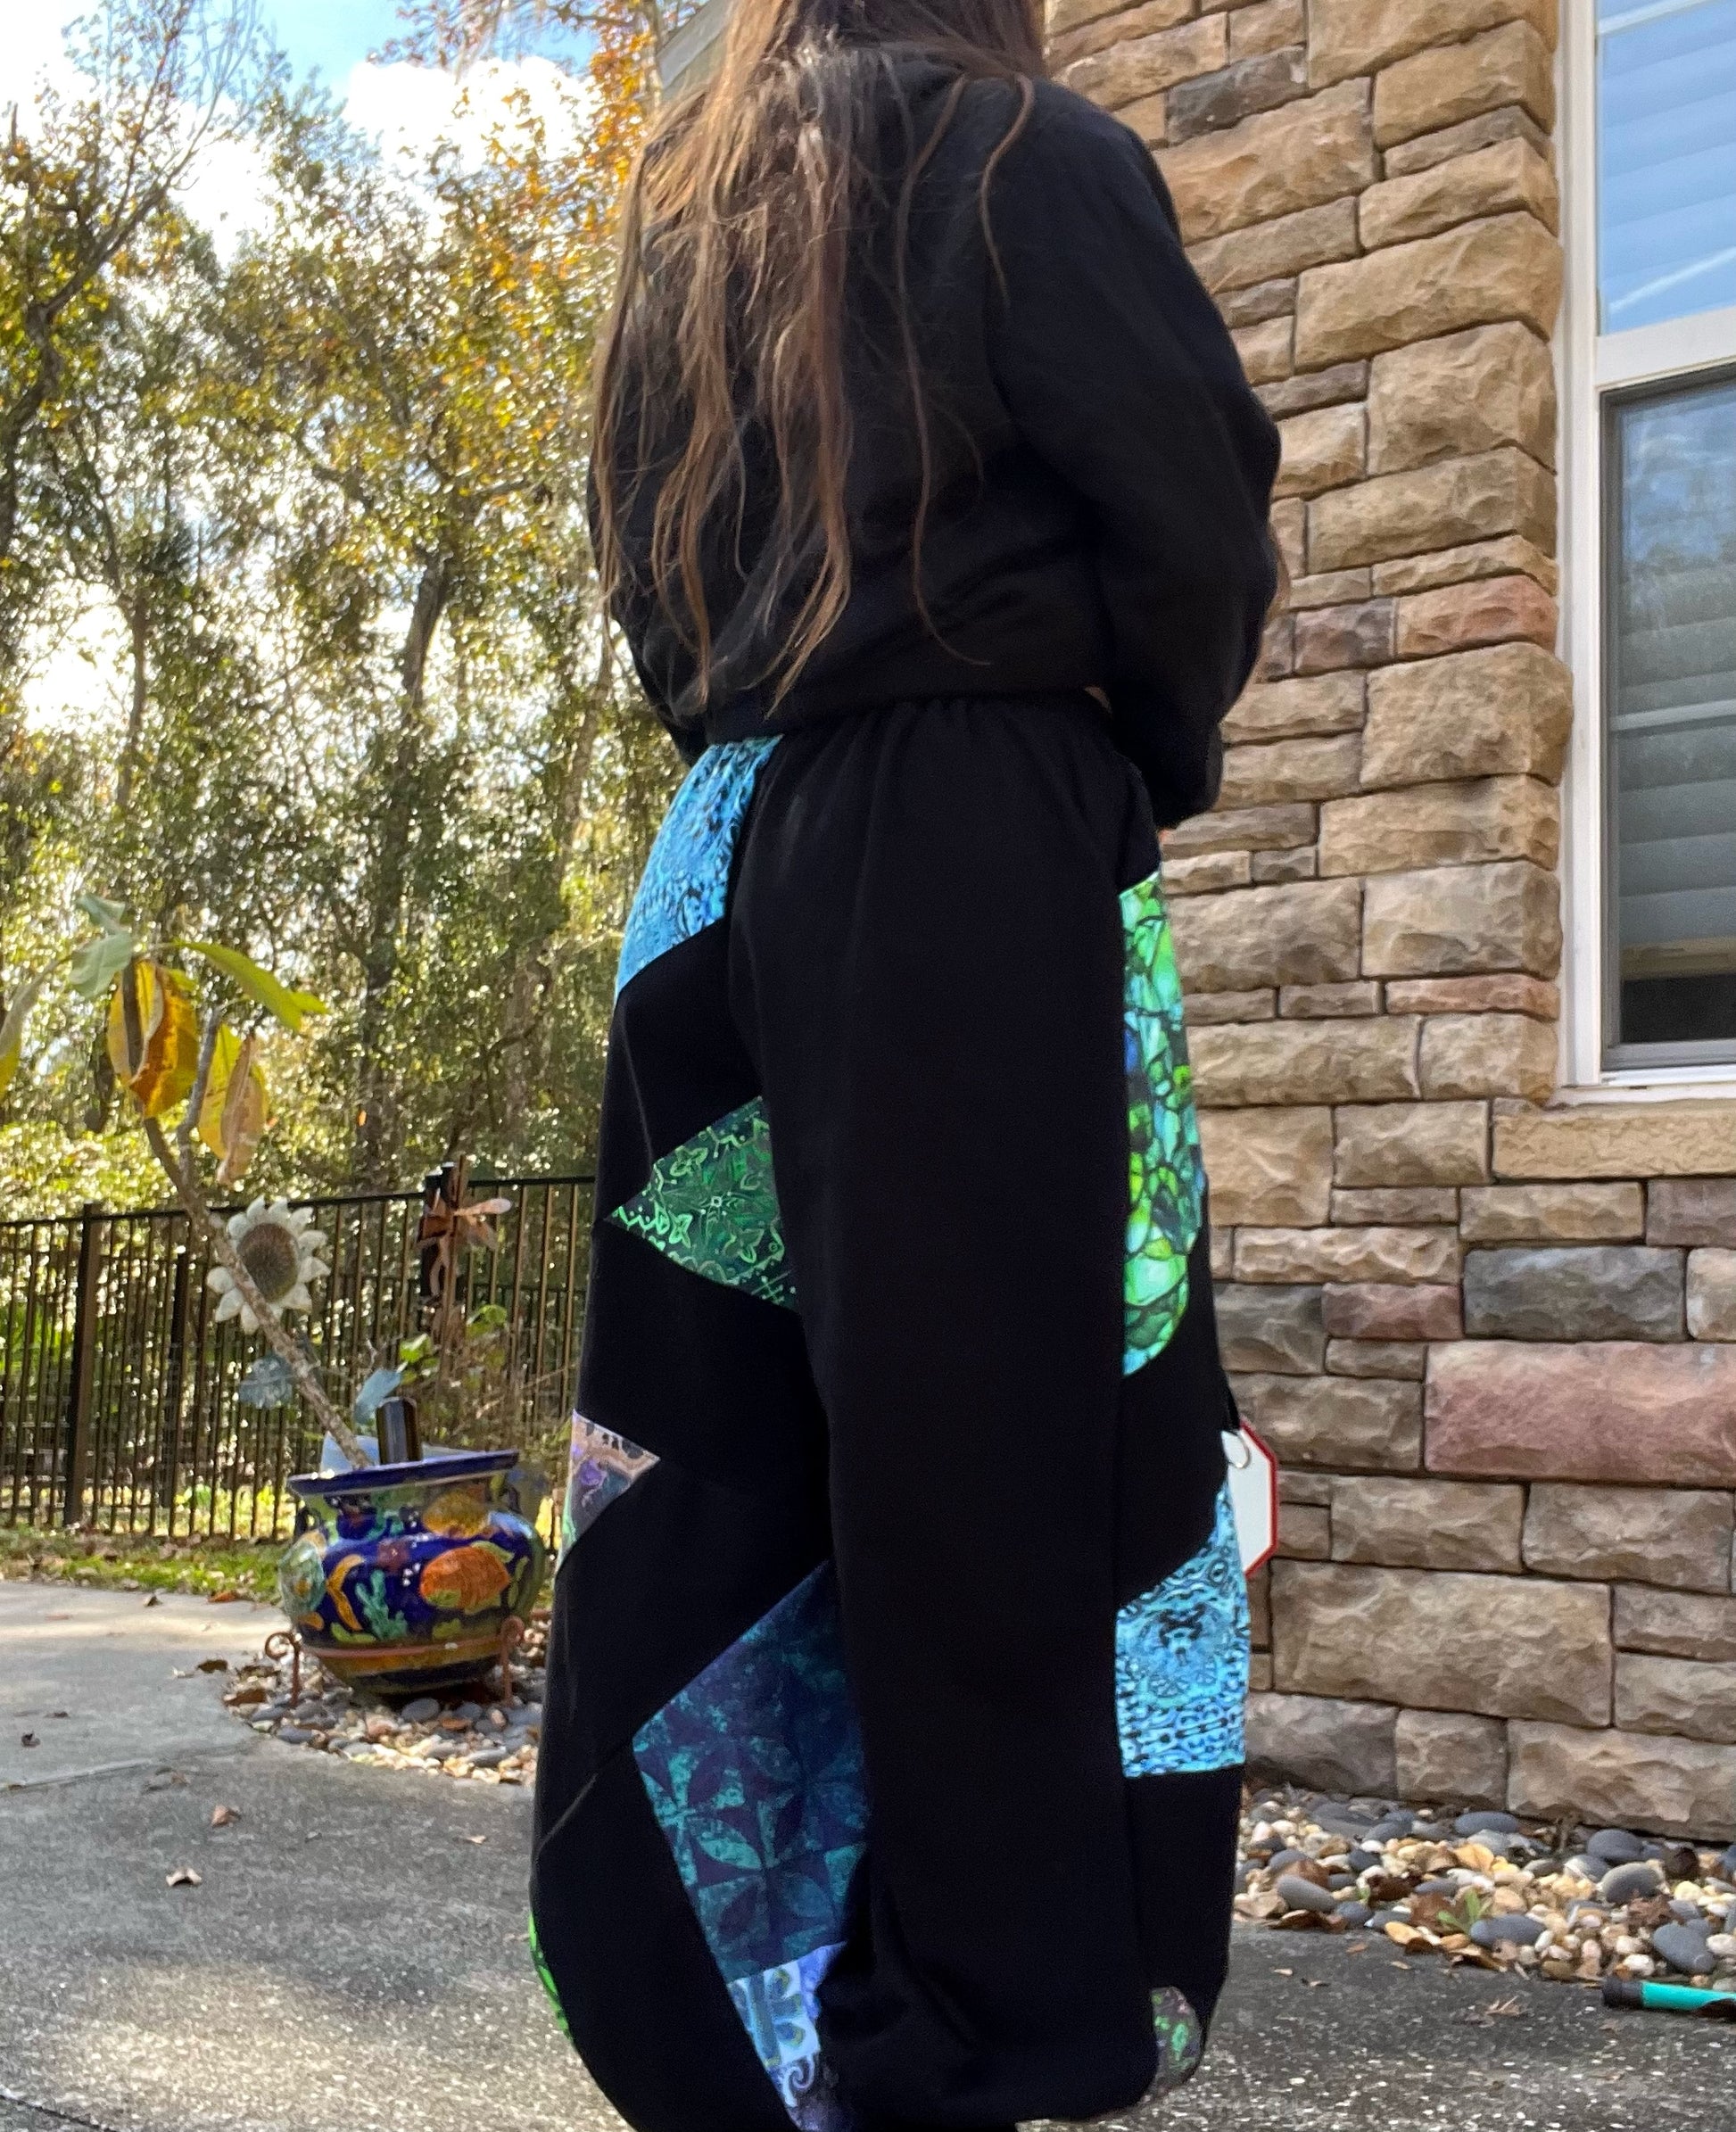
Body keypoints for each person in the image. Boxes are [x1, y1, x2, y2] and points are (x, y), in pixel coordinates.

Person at [530, 0, 1280, 2123]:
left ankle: (726, 2016)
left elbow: (645, 589)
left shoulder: (694, 220)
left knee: (715, 1441)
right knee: (1010, 1461)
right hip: (973, 847)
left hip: (727, 856)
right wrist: (1105, 751)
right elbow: (1193, 515)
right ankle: (969, 2034)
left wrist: (777, 728)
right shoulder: (1025, 155)